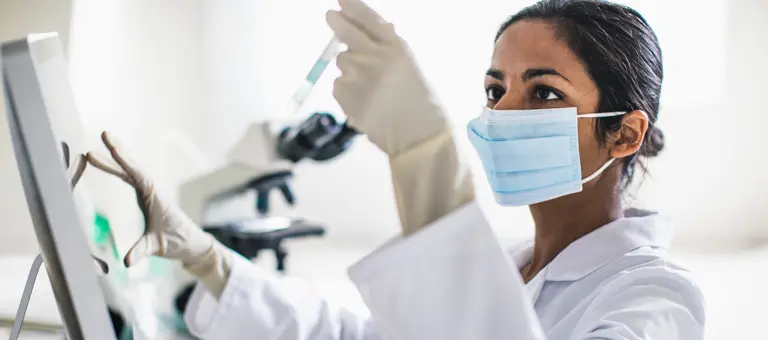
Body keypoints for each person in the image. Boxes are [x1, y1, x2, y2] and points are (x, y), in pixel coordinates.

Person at [86, 0, 706, 338]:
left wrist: (424, 153)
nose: (505, 113)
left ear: (624, 132)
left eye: (543, 93)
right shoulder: (513, 262)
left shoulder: (656, 299)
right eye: (496, 91)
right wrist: (206, 259)